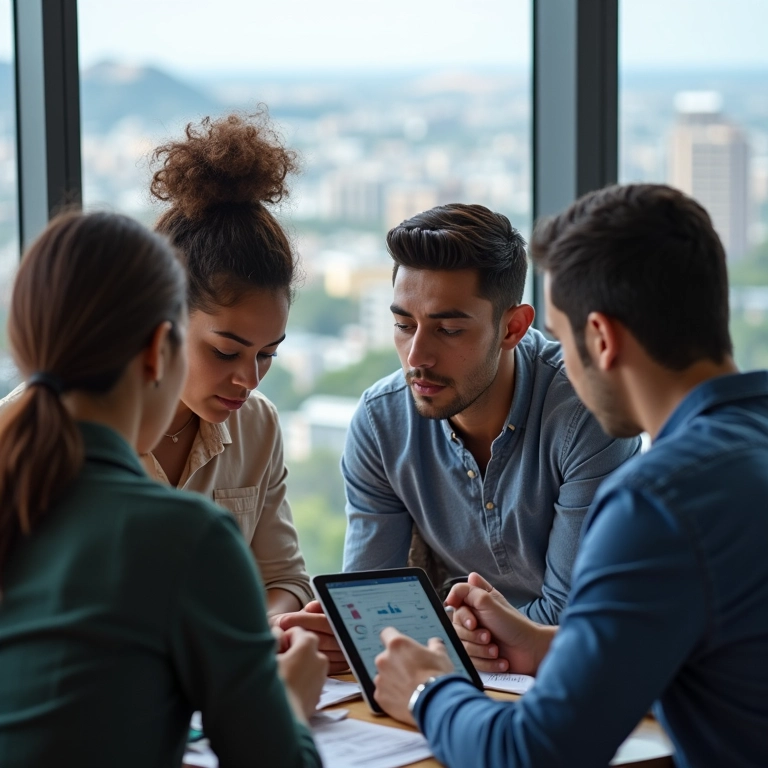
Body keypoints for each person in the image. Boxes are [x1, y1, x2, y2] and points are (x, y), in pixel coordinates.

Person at [372, 184, 768, 768]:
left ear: (601, 339)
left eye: (558, 334)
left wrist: (428, 690)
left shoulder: (658, 502)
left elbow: (535, 753)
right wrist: (546, 648)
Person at [0, 211, 325, 768]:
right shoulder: (186, 537)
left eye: (267, 354)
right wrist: (289, 700)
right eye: (225, 351)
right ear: (159, 349)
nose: (248, 377)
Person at [341, 203, 639, 623]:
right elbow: (371, 611)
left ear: (512, 327)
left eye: (448, 330)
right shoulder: (380, 423)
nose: (416, 357)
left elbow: (574, 615)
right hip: (462, 662)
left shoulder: (589, 414)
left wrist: (455, 631)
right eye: (404, 325)